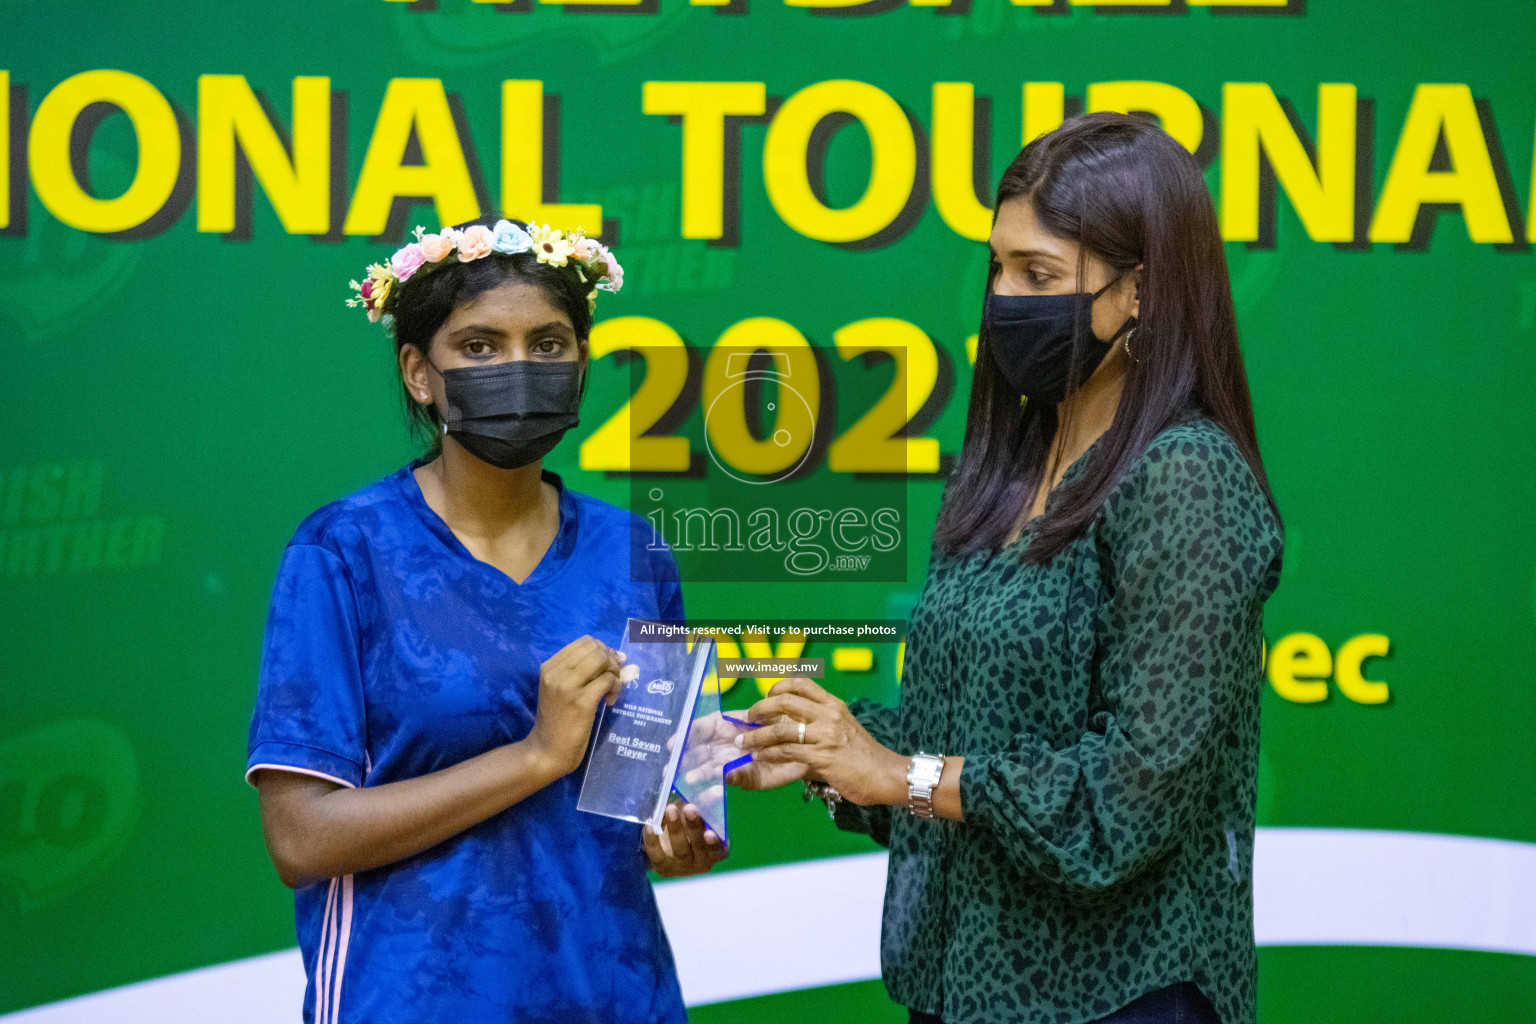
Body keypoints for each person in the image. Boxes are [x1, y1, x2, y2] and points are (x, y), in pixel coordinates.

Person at [731, 112, 1285, 1024]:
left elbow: (1125, 802)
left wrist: (898, 775)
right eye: (997, 268)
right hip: (955, 991)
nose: (1003, 299)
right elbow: (965, 748)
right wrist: (825, 747)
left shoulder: (1186, 476)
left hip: (1115, 997)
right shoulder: (1014, 461)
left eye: (1038, 274)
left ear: (1137, 290)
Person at [245, 215, 723, 1024]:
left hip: (616, 998)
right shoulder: (342, 553)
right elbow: (301, 840)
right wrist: (538, 754)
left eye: (548, 344)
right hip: (413, 1001)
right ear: (418, 372)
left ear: (581, 361)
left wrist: (681, 831)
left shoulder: (635, 549)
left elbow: (650, 801)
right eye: (478, 346)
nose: (518, 367)